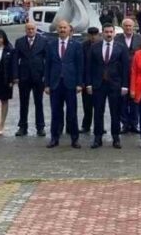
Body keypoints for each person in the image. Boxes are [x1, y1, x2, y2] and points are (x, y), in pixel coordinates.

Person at [87, 23, 130, 149]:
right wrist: (89, 83)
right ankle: (97, 137)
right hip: (98, 85)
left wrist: (125, 86)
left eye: (111, 32)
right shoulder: (94, 47)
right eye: (106, 32)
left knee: (115, 112)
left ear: (114, 33)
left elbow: (125, 68)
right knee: (98, 112)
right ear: (102, 33)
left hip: (115, 85)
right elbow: (89, 67)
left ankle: (116, 138)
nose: (109, 34)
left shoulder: (121, 48)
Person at [44, 19, 84, 149]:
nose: (62, 30)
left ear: (69, 30)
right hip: (55, 83)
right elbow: (47, 66)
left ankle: (74, 139)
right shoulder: (51, 44)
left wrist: (79, 83)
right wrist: (47, 84)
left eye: (64, 28)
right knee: (56, 112)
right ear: (57, 30)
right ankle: (54, 138)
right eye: (60, 28)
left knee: (72, 112)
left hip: (71, 83)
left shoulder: (76, 45)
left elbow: (80, 65)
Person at [14, 21, 48, 137]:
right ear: (25, 30)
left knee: (39, 102)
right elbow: (15, 60)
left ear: (36, 29)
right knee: (23, 103)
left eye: (32, 29)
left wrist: (45, 76)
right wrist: (16, 76)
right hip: (24, 77)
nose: (31, 31)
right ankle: (22, 127)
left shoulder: (43, 41)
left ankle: (40, 127)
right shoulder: (19, 42)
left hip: (38, 76)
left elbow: (47, 60)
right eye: (28, 29)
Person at [115, 18, 141, 134]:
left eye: (130, 26)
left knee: (135, 100)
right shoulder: (117, 39)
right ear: (122, 27)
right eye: (126, 26)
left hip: (136, 74)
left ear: (134, 26)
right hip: (121, 74)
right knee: (122, 100)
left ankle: (134, 124)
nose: (128, 28)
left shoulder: (140, 39)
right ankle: (124, 124)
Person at [80, 26, 101, 133]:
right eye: (91, 35)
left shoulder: (102, 45)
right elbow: (81, 64)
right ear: (88, 35)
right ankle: (86, 125)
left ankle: (99, 126)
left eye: (95, 35)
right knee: (87, 105)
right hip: (86, 79)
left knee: (99, 106)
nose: (93, 37)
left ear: (98, 35)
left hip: (99, 80)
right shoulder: (83, 46)